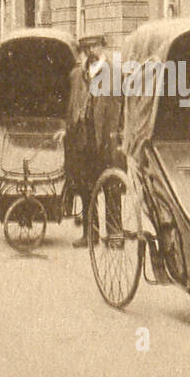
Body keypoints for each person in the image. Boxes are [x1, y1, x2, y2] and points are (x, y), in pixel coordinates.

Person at [65, 34, 120, 247]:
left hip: (108, 138)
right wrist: (69, 130)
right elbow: (72, 105)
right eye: (88, 48)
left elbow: (121, 107)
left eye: (96, 47)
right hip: (84, 140)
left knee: (111, 186)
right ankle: (91, 234)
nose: (92, 52)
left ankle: (115, 234)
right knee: (87, 188)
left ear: (103, 48)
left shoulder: (115, 73)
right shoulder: (78, 75)